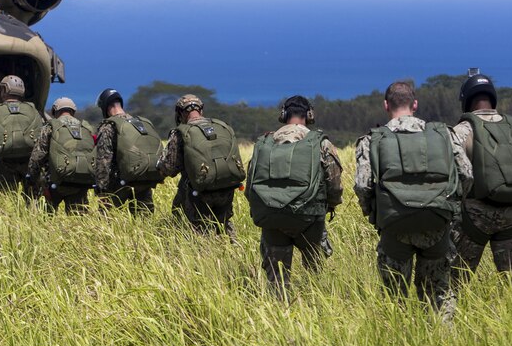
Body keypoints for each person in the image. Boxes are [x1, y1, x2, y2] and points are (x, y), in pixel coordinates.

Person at [353, 80, 472, 313]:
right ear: (414, 104)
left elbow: (362, 185)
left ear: (386, 105)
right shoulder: (444, 134)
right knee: (439, 295)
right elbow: (466, 174)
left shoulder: (372, 140)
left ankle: (397, 343)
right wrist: (452, 208)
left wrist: (374, 214)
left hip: (395, 225)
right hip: (437, 223)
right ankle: (444, 345)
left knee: (394, 299)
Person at [245, 95, 343, 292]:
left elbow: (250, 184)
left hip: (272, 216)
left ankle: (279, 310)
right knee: (314, 274)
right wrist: (330, 205)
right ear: (309, 115)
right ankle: (313, 306)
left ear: (283, 115)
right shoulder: (320, 143)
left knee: (277, 280)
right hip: (309, 217)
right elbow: (334, 184)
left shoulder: (265, 142)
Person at [451, 70, 512, 283]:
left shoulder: (461, 131)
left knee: (455, 281)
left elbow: (454, 177)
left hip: (475, 218)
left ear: (466, 100)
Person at [158, 94, 246, 240]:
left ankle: (200, 255)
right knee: (224, 223)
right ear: (201, 110)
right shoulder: (221, 127)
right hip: (227, 188)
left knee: (190, 223)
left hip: (197, 192)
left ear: (180, 113)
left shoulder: (181, 133)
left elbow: (169, 168)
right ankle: (233, 250)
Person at [93, 88, 164, 215]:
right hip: (144, 179)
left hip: (119, 182)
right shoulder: (139, 123)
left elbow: (104, 160)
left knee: (107, 219)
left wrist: (101, 189)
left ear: (105, 106)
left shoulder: (109, 126)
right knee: (145, 219)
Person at [27, 97, 96, 213]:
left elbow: (38, 155)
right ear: (73, 111)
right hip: (80, 183)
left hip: (55, 183)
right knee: (79, 223)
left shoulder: (51, 127)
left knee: (46, 219)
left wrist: (31, 178)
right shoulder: (86, 128)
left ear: (55, 111)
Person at [0, 74, 43, 194]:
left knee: (6, 197)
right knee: (33, 198)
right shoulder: (32, 109)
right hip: (29, 163)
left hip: (5, 163)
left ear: (5, 90)